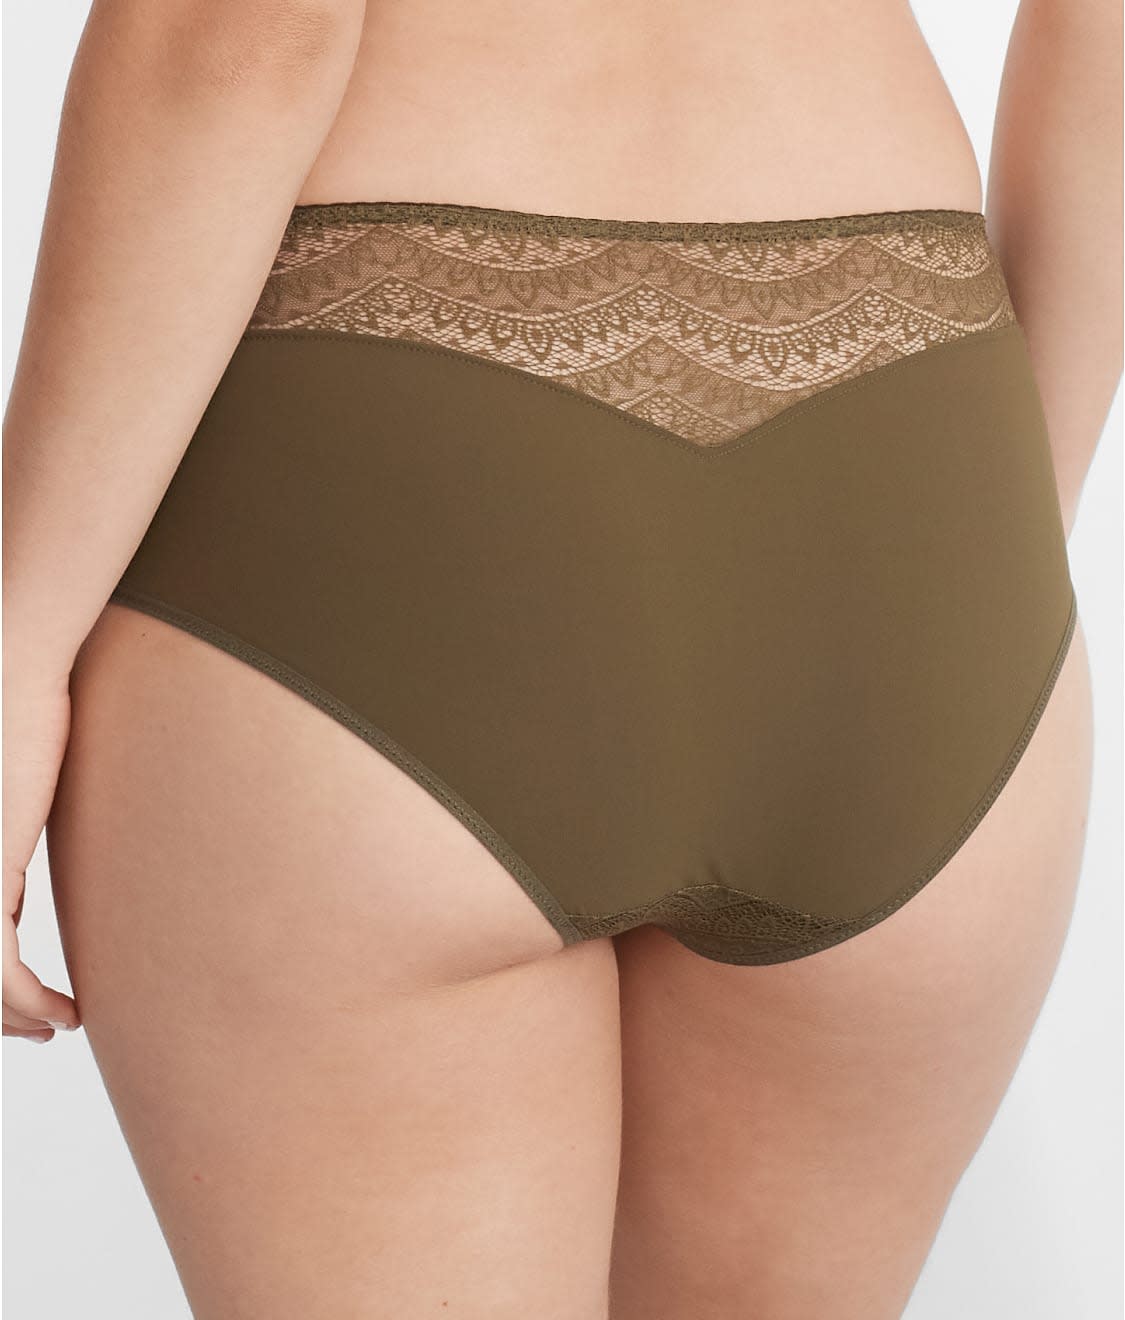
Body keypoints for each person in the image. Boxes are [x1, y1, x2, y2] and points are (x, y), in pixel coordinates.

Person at [3, 1, 1120, 1315]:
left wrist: (17, 649)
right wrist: (989, 558)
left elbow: (239, 37)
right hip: (917, 483)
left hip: (397, 472)